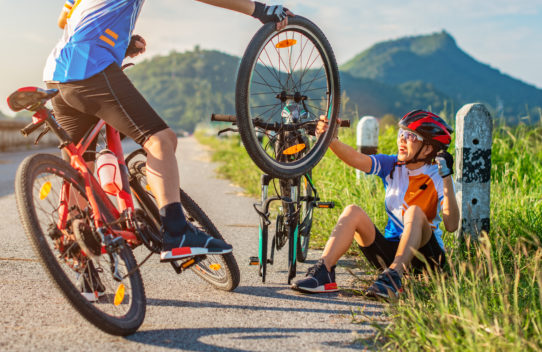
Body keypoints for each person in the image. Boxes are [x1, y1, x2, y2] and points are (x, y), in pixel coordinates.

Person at [45, 1, 292, 274]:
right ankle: (176, 232)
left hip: (56, 74)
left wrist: (118, 40)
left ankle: (78, 257)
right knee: (160, 140)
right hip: (90, 66)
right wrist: (260, 10)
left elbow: (62, 20)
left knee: (81, 167)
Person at [291, 110, 460, 299]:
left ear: (428, 148)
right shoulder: (393, 165)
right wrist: (330, 139)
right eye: (401, 134)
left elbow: (452, 226)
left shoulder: (437, 175)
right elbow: (357, 159)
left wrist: (447, 178)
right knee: (352, 211)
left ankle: (394, 278)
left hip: (427, 261)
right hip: (389, 253)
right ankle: (325, 272)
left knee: (413, 212)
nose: (402, 140)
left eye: (410, 136)